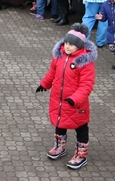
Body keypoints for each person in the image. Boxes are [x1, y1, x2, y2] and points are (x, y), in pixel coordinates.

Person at [36, 24, 97, 170]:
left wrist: (75, 99)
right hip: (58, 99)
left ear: (80, 46)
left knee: (81, 127)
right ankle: (59, 147)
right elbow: (52, 72)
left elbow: (86, 85)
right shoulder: (59, 56)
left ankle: (81, 155)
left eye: (72, 45)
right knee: (59, 122)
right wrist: (45, 84)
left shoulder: (84, 62)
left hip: (76, 103)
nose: (68, 47)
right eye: (66, 43)